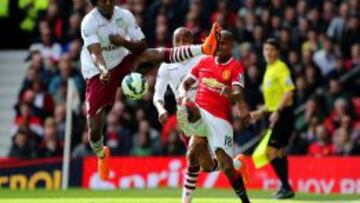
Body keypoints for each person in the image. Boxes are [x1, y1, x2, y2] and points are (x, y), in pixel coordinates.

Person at [81, 0, 220, 180]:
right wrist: (103, 69)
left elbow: (142, 45)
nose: (108, 3)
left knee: (153, 54)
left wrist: (123, 42)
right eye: (103, 0)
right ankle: (101, 154)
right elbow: (95, 52)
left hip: (123, 64)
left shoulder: (125, 16)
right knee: (94, 129)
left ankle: (204, 47)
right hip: (97, 72)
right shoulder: (89, 22)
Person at [178, 30, 251, 203]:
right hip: (201, 112)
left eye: (224, 43)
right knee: (192, 154)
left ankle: (241, 186)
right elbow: (185, 83)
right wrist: (182, 95)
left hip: (220, 119)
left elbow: (238, 94)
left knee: (220, 168)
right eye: (217, 42)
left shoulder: (236, 67)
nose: (219, 46)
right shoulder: (204, 61)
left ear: (232, 46)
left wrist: (230, 94)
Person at [153, 27, 205, 203]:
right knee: (198, 160)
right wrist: (161, 110)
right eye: (178, 41)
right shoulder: (167, 65)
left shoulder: (202, 57)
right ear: (173, 43)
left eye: (185, 40)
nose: (182, 44)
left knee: (196, 157)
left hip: (207, 110)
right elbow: (157, 95)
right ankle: (236, 165)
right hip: (185, 115)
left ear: (191, 42)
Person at [250, 38, 295, 199]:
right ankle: (285, 187)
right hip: (277, 114)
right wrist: (260, 112)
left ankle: (286, 187)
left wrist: (278, 111)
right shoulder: (269, 69)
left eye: (271, 49)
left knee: (270, 152)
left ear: (277, 52)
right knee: (279, 152)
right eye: (266, 49)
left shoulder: (281, 67)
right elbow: (272, 102)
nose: (268, 52)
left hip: (284, 115)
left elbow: (289, 91)